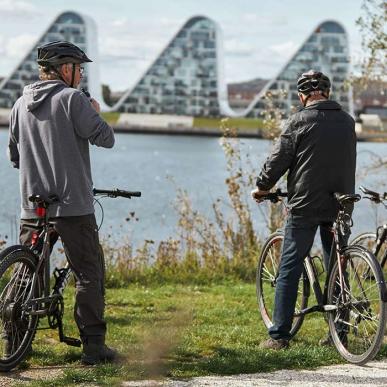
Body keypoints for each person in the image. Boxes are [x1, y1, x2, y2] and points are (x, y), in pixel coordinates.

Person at [7, 41, 116, 364]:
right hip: (72, 206)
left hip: (33, 205)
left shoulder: (18, 105)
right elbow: (106, 138)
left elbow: (15, 157)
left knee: (26, 274)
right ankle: (94, 347)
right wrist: (94, 112)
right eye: (79, 69)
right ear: (65, 69)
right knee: (88, 273)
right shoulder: (72, 100)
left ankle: (15, 342)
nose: (81, 75)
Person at [251, 70, 356, 350]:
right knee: (338, 267)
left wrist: (262, 187)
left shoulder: (299, 120)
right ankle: (339, 334)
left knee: (289, 267)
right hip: (340, 203)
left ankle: (279, 336)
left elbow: (278, 160)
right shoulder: (348, 121)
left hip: (306, 204)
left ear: (302, 96)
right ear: (328, 93)